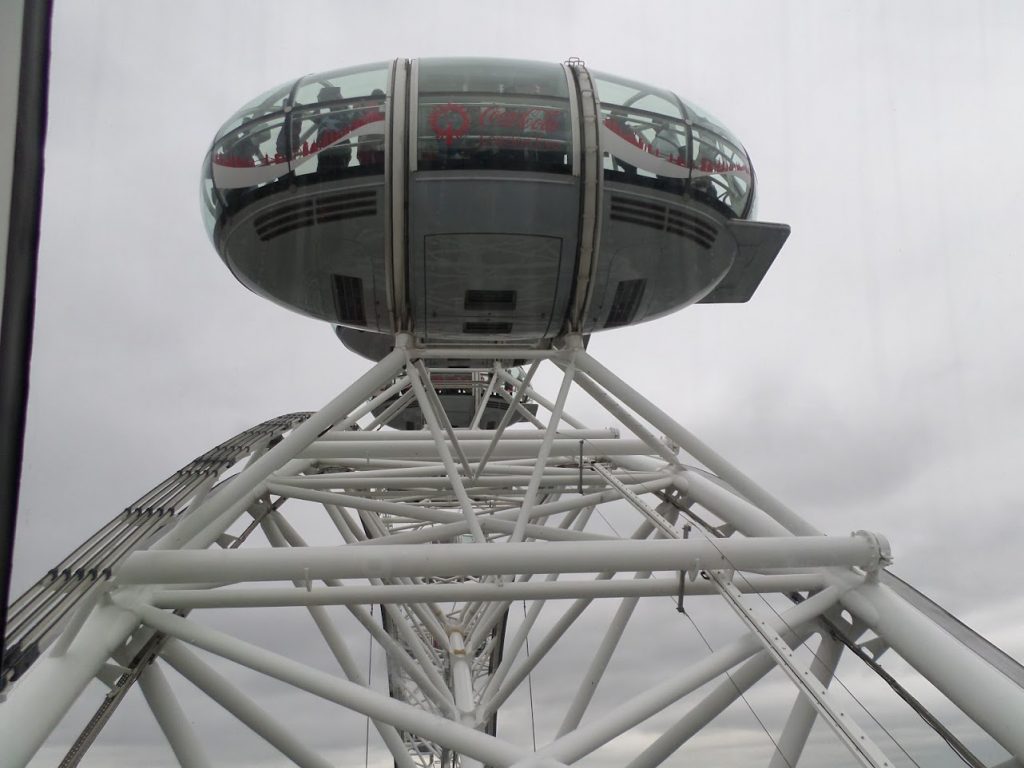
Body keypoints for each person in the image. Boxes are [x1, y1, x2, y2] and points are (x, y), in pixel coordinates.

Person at [315, 85, 351, 176]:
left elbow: (352, 116)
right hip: (325, 151)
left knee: (338, 174)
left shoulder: (343, 113)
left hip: (339, 150)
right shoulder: (326, 116)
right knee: (323, 175)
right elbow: (315, 117)